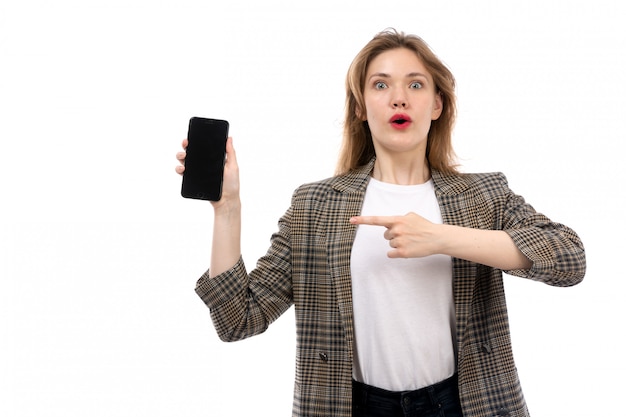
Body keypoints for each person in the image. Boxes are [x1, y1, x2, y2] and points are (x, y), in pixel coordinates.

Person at [175, 29, 586, 417]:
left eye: (416, 84)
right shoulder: (315, 205)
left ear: (438, 105)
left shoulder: (483, 194)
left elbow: (570, 260)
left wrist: (441, 237)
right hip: (352, 405)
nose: (399, 99)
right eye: (381, 84)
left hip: (463, 402)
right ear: (360, 106)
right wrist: (227, 207)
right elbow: (237, 320)